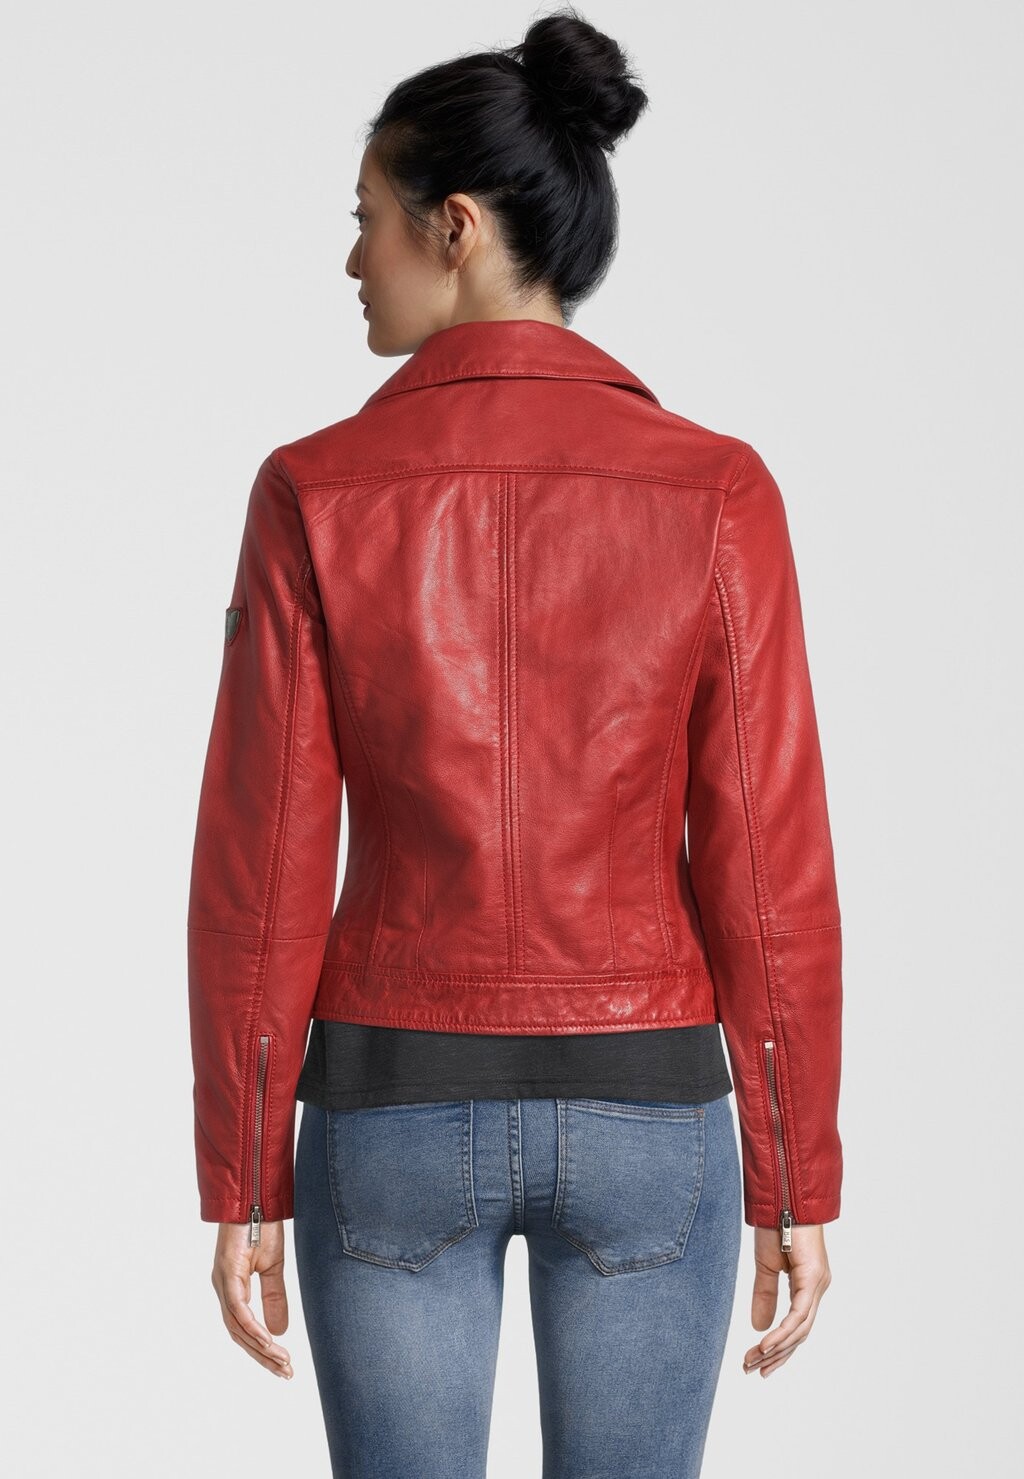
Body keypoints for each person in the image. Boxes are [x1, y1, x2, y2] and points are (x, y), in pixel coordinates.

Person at [186, 8, 842, 1475]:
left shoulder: (315, 493)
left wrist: (241, 1166)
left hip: (391, 1110)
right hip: (649, 1113)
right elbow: (768, 860)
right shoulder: (718, 491)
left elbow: (263, 864)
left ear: (458, 226)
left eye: (367, 219)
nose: (352, 260)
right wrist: (798, 1166)